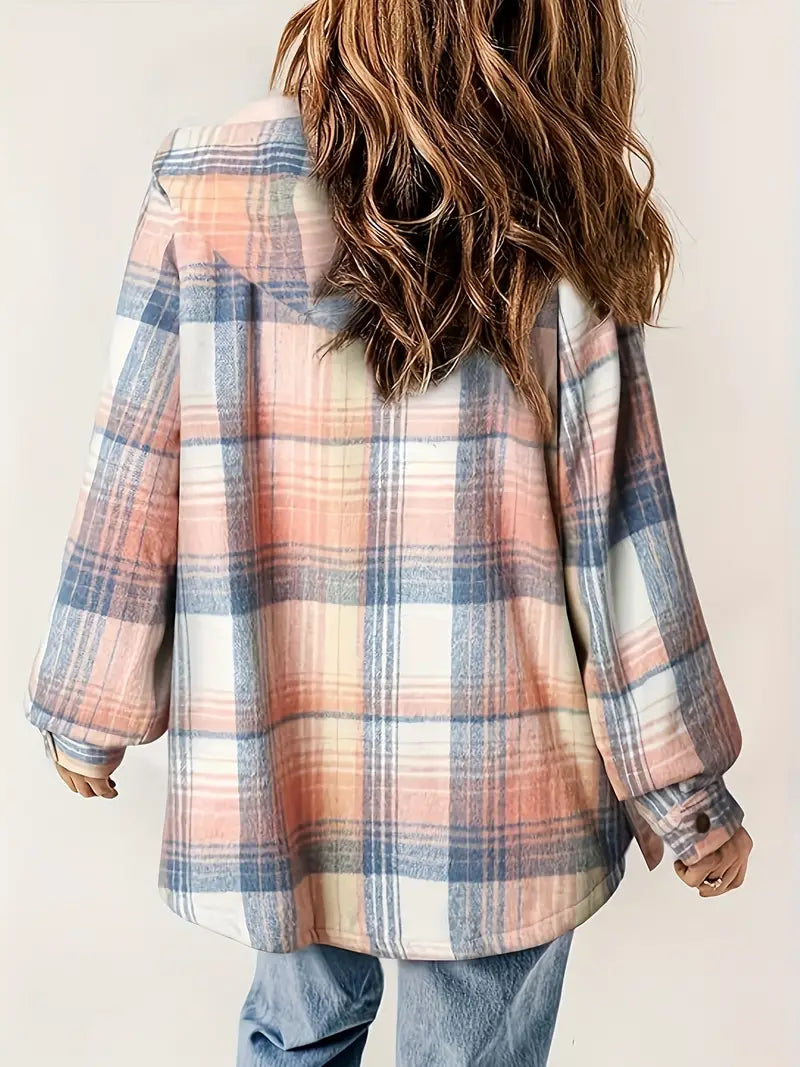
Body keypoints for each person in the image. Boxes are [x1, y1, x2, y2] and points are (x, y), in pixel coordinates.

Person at [24, 1, 752, 1064]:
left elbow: (136, 470)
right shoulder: (555, 220)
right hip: (494, 787)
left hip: (283, 764)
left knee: (295, 1036)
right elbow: (619, 547)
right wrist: (685, 798)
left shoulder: (207, 192)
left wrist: (89, 703)